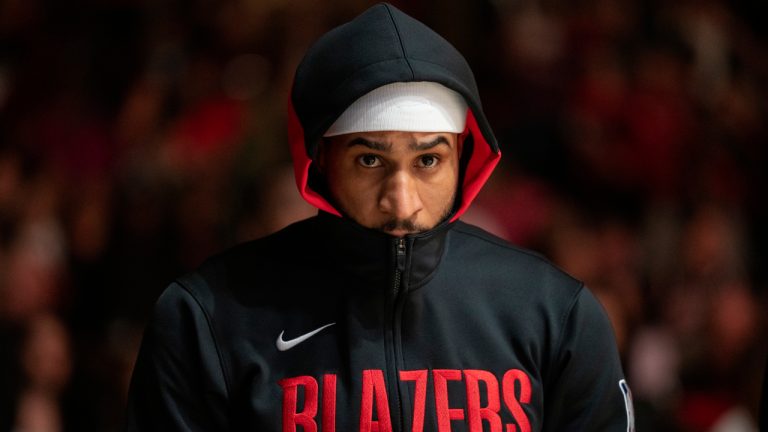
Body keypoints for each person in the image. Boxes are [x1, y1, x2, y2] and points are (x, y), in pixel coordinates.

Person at [124, 3, 633, 431]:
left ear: (466, 156)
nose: (402, 199)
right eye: (370, 160)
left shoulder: (554, 314)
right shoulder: (207, 318)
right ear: (320, 160)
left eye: (428, 160)